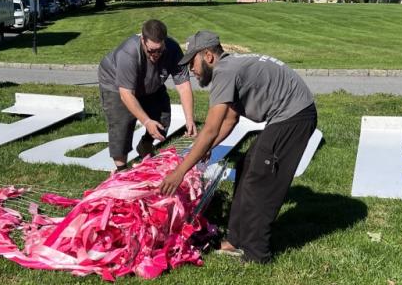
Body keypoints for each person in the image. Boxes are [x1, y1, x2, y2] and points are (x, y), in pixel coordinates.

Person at [160, 30, 317, 264]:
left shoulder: (225, 72)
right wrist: (207, 147)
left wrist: (179, 172)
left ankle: (257, 254)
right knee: (245, 165)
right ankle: (236, 240)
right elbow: (230, 119)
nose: (191, 70)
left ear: (208, 56)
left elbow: (211, 129)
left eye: (192, 62)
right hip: (287, 115)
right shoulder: (230, 67)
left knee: (259, 179)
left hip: (295, 116)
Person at [98, 19, 197, 171]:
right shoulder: (129, 52)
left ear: (164, 42)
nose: (155, 55)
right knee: (122, 122)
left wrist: (189, 119)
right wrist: (146, 121)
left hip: (150, 82)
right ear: (142, 40)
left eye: (159, 50)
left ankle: (145, 144)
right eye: (151, 50)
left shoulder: (173, 49)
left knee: (162, 117)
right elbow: (126, 94)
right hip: (116, 84)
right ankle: (122, 169)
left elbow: (183, 86)